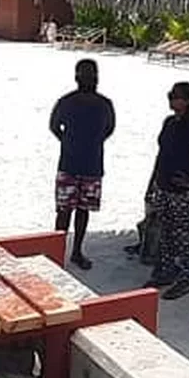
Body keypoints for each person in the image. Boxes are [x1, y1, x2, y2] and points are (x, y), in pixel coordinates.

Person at [139, 82, 189, 300]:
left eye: (176, 96)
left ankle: (184, 279)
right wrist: (152, 182)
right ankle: (166, 271)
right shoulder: (169, 123)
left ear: (188, 101)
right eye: (170, 96)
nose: (172, 100)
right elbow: (161, 154)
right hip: (163, 184)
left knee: (183, 235)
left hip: (182, 190)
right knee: (165, 231)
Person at [48, 58, 116, 271]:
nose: (89, 79)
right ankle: (56, 252)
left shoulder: (103, 104)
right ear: (77, 77)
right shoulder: (67, 102)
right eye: (85, 75)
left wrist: (72, 141)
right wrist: (74, 143)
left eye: (91, 75)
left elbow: (109, 128)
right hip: (72, 164)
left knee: (82, 210)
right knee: (64, 210)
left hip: (90, 165)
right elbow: (53, 126)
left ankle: (76, 251)